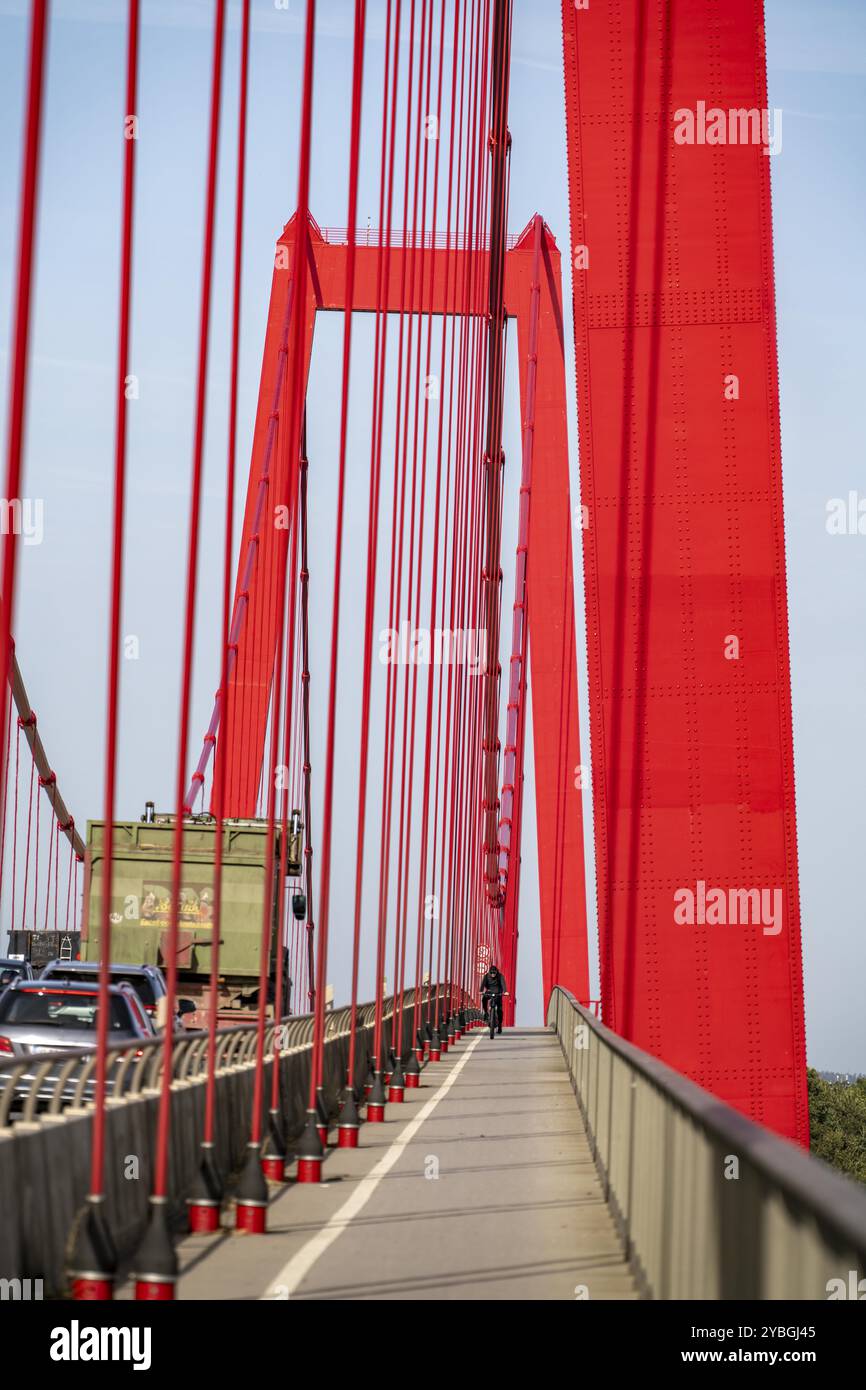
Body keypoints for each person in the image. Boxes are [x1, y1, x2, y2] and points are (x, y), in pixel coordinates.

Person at [480, 964, 506, 1033]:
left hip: (498, 993)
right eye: (491, 973)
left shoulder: (500, 976)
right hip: (489, 991)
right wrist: (480, 991)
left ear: (496, 972)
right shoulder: (486, 976)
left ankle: (500, 1024)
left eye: (494, 973)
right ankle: (486, 1012)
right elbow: (483, 984)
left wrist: (505, 991)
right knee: (484, 999)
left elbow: (503, 984)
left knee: (500, 1009)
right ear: (489, 972)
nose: (493, 974)